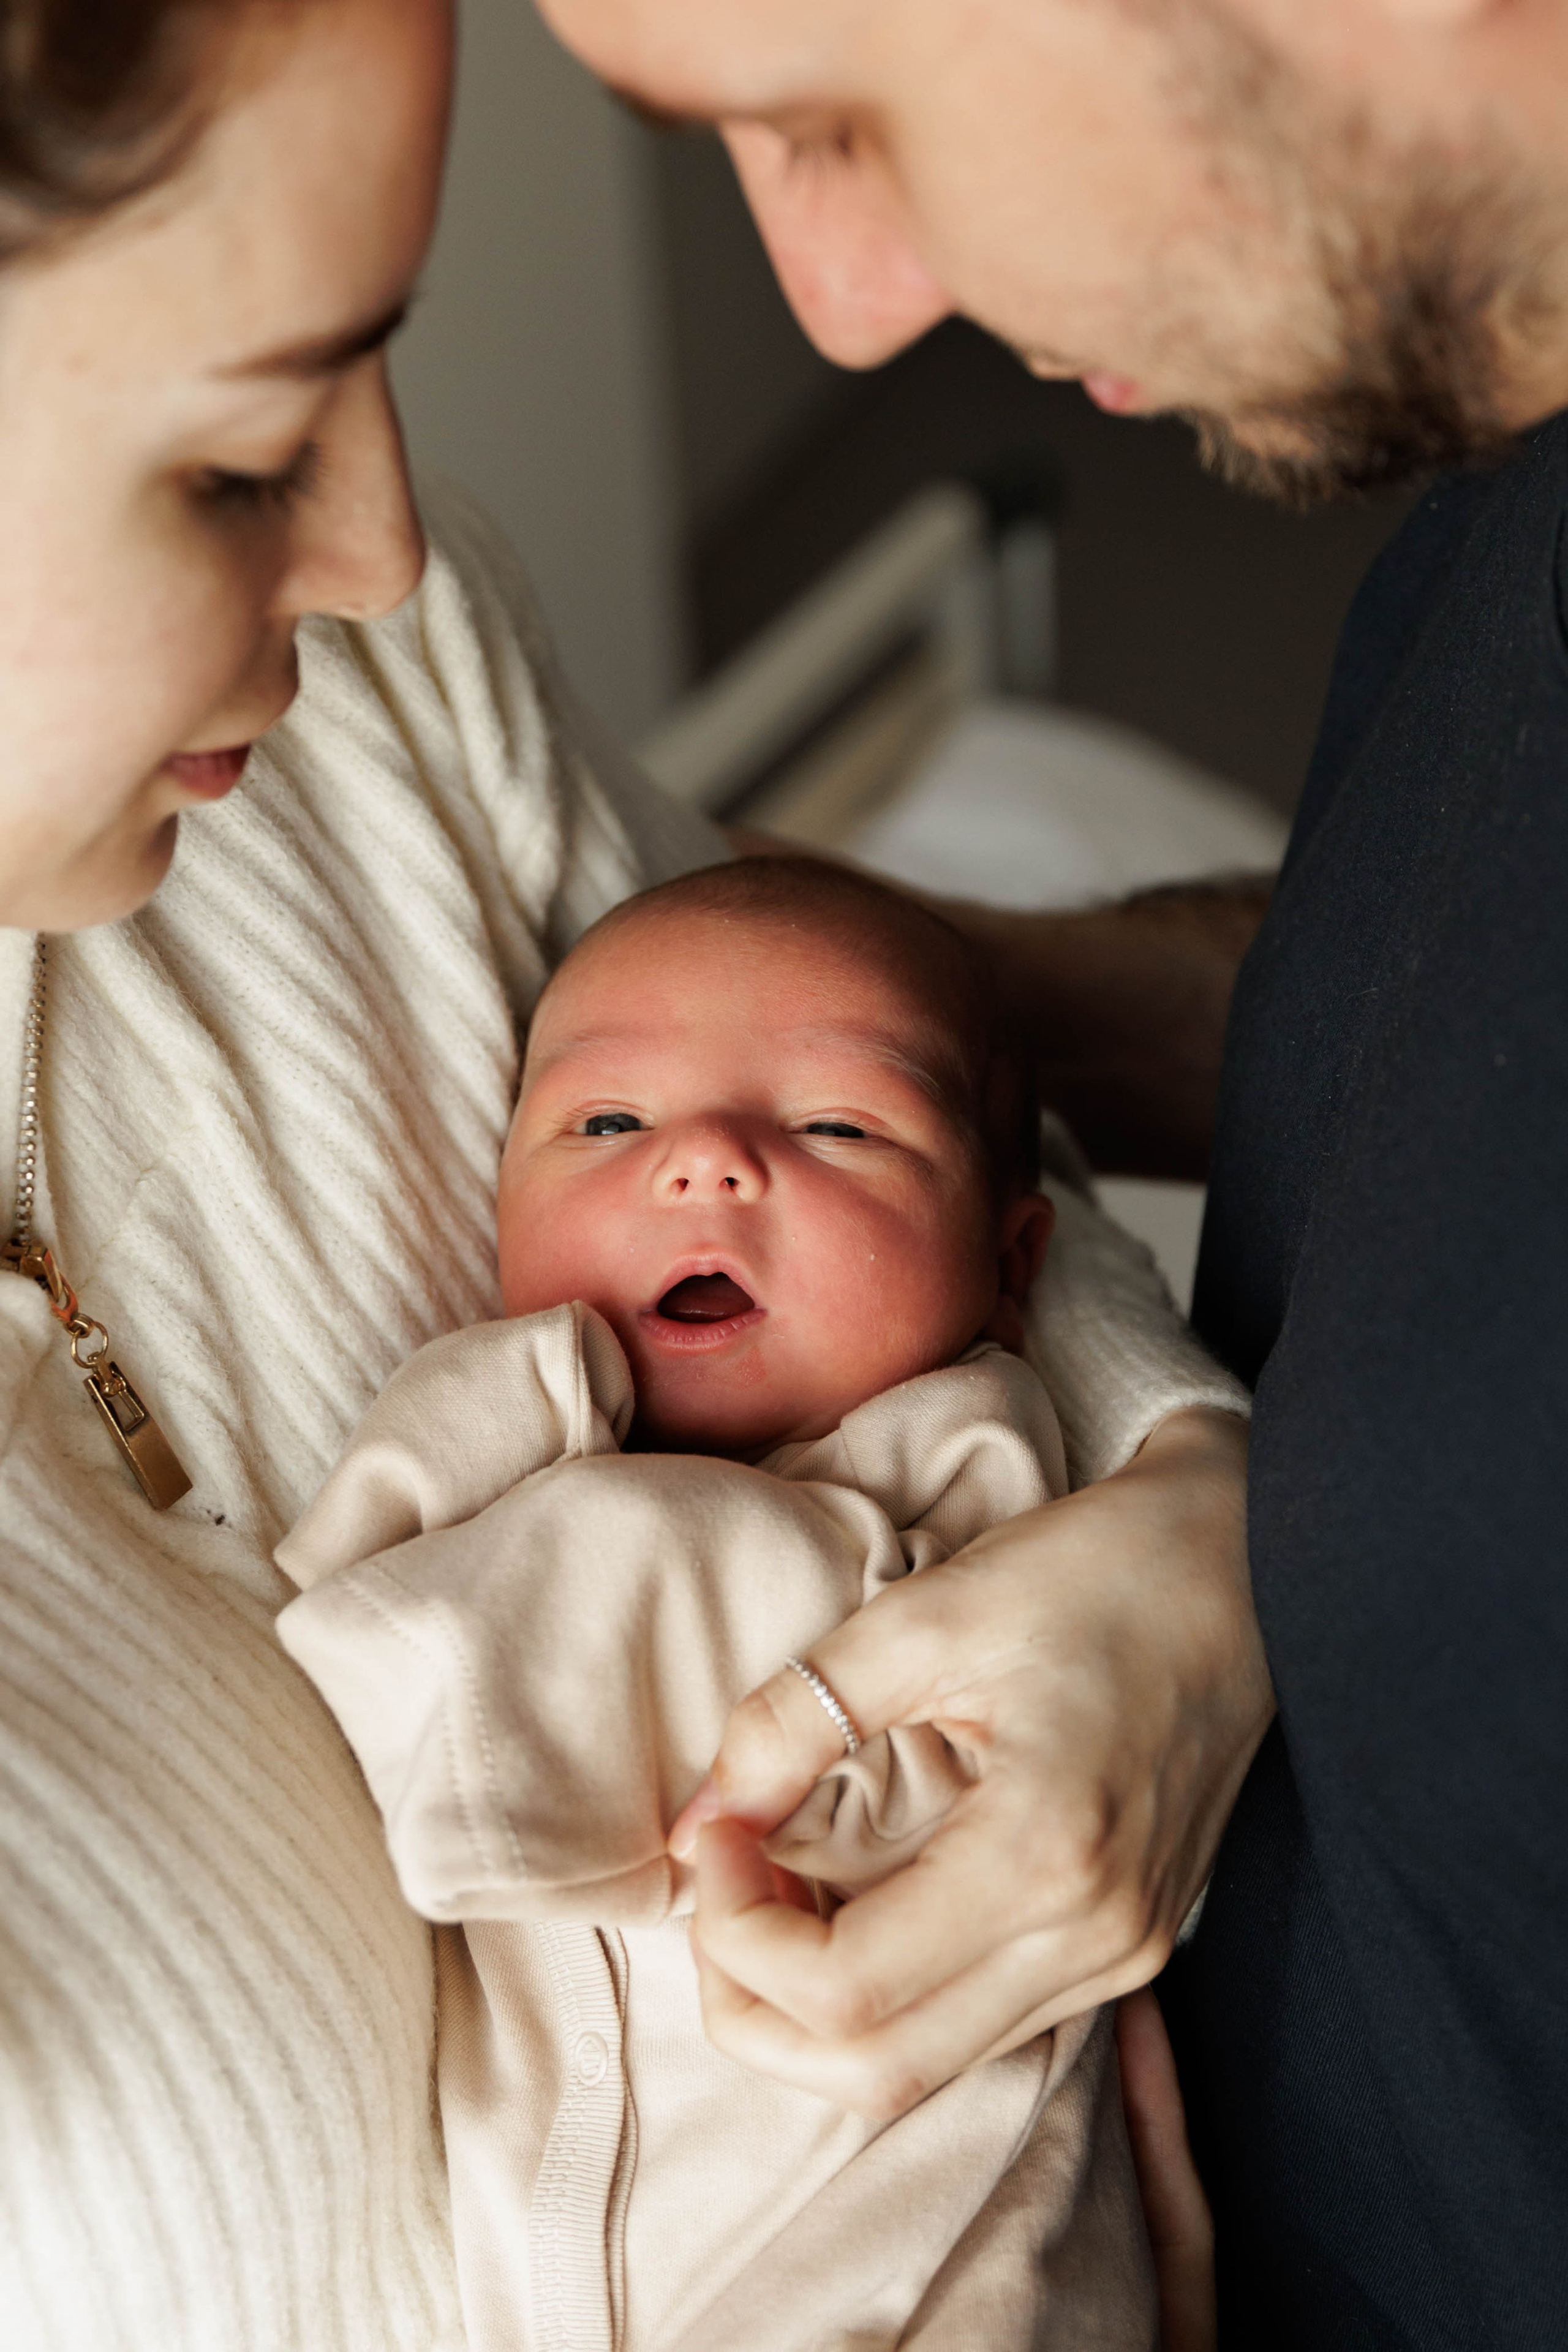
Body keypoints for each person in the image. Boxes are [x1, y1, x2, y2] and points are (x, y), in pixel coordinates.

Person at [0, 0, 1253, 2340]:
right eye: (244, 454)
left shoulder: (370, 708)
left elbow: (902, 1105)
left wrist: (1202, 1520)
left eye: (384, 363)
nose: (383, 550)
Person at [537, 0, 1568, 2342]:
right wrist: (860, 1041)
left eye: (825, 115)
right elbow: (1444, 1000)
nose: (845, 303)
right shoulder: (1521, 399)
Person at [274, 856, 1177, 2352]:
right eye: (607, 1123)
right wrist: (507, 1411)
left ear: (1009, 1269)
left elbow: (945, 1779)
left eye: (836, 1124)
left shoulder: (967, 1469)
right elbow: (342, 1629)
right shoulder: (499, 1450)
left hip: (931, 2262)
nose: (701, 1161)